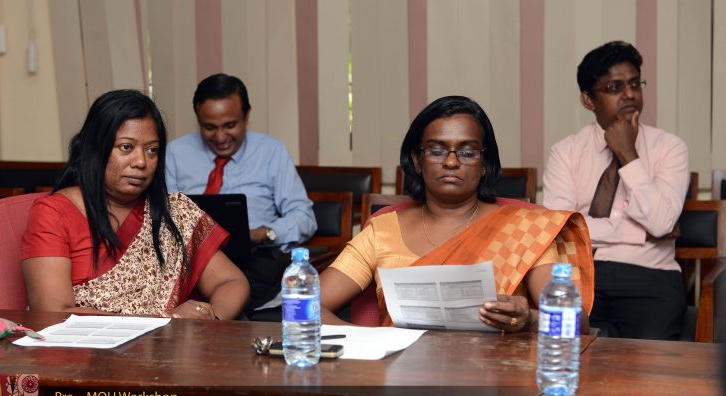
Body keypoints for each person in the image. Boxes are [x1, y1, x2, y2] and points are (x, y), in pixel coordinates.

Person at [320, 96, 594, 331]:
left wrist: (530, 320)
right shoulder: (382, 231)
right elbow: (305, 306)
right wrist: (372, 340)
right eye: (437, 150)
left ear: (484, 163)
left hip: (498, 371)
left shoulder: (525, 229)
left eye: (468, 152)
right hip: (399, 370)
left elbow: (576, 323)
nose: (451, 162)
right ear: (417, 160)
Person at [22, 89, 249, 319]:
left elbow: (231, 281)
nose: (141, 162)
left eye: (152, 150)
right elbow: (52, 314)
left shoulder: (173, 212)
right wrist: (167, 321)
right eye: (126, 147)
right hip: (87, 343)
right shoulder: (53, 213)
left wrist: (209, 320)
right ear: (95, 148)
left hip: (171, 342)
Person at [543, 41, 689, 340]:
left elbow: (661, 222)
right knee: (561, 355)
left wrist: (628, 155)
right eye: (614, 87)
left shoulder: (670, 148)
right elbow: (561, 229)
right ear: (588, 99)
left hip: (651, 279)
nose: (630, 94)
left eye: (635, 83)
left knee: (649, 367)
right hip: (579, 274)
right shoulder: (565, 152)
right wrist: (638, 233)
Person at [166, 73, 317, 319]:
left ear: (246, 116)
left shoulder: (271, 151)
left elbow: (304, 216)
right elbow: (164, 214)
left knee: (244, 285)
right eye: (209, 127)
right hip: (191, 260)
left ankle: (217, 324)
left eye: (230, 125)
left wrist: (263, 233)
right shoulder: (175, 153)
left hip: (253, 257)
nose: (220, 137)